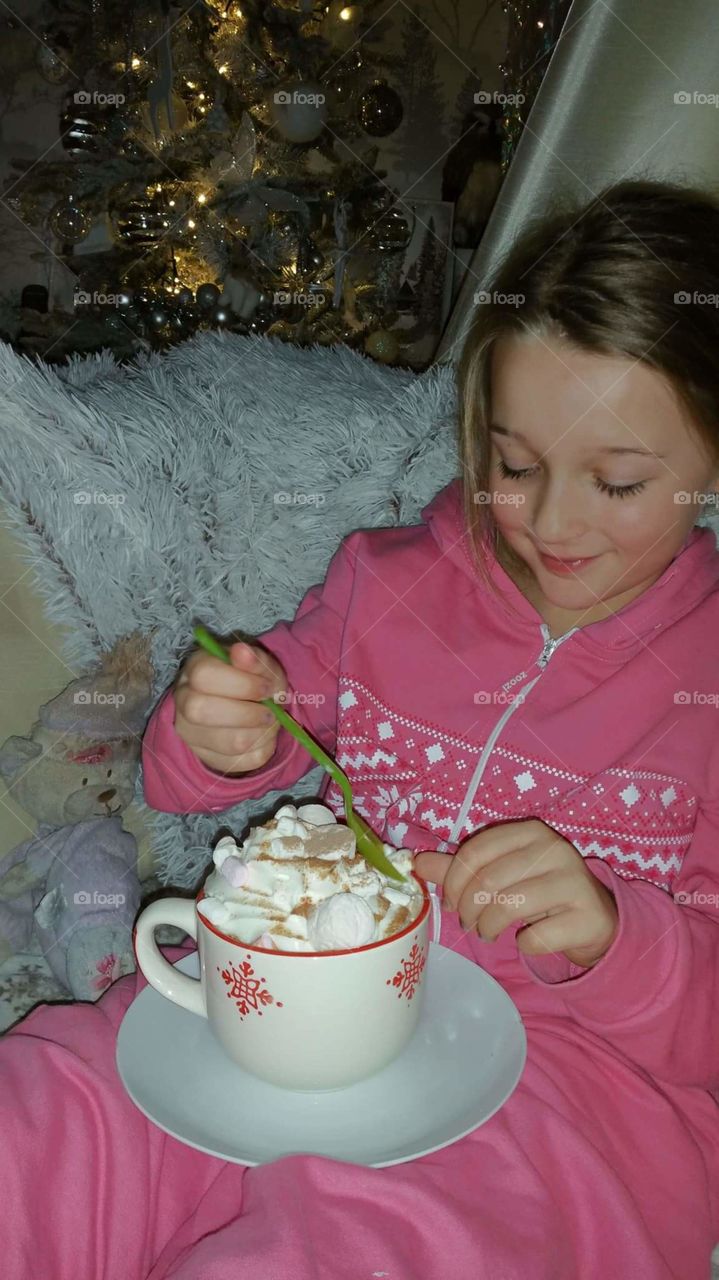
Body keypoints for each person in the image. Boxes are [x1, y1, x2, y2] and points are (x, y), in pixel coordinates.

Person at [4, 178, 719, 1280]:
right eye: (512, 464)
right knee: (45, 1119)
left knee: (338, 1250)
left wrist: (614, 939)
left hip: (566, 1090)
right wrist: (223, 731)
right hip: (294, 985)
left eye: (617, 482)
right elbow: (208, 762)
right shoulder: (385, 579)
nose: (552, 522)